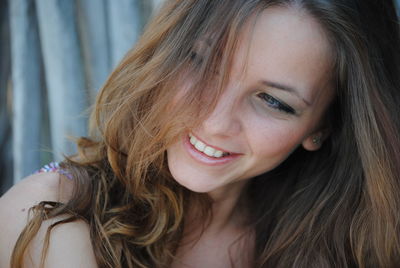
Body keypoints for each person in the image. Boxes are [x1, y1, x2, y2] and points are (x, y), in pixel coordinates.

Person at [1, 0, 400, 267]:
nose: (214, 121)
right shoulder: (52, 214)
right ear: (169, 53)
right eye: (202, 63)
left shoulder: (352, 245)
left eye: (273, 101)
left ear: (323, 127)